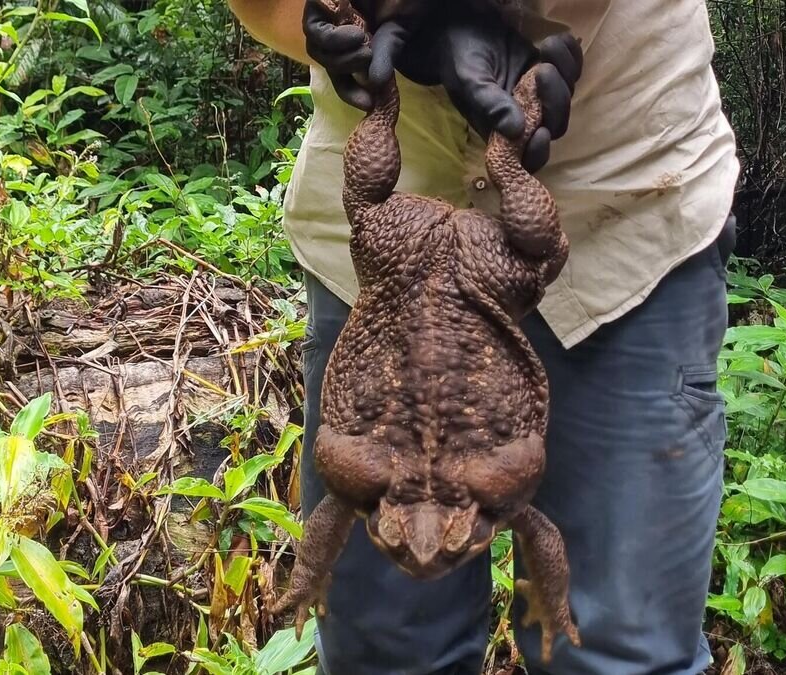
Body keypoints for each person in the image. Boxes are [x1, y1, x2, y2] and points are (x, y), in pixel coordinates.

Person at [226, 1, 740, 673]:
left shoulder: (483, 489)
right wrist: (356, 24)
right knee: (382, 654)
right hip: (387, 255)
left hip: (619, 202)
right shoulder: (414, 488)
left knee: (618, 652)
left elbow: (531, 519)